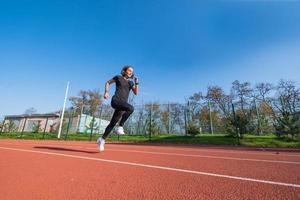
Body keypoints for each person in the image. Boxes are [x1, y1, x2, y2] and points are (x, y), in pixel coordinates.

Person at [97, 65, 139, 152]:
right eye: (129, 70)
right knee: (131, 108)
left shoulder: (130, 83)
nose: (131, 72)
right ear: (124, 71)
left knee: (112, 123)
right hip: (116, 101)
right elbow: (107, 82)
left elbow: (136, 93)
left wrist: (136, 82)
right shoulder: (118, 77)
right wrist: (106, 92)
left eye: (132, 71)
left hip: (122, 105)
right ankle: (120, 126)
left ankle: (102, 139)